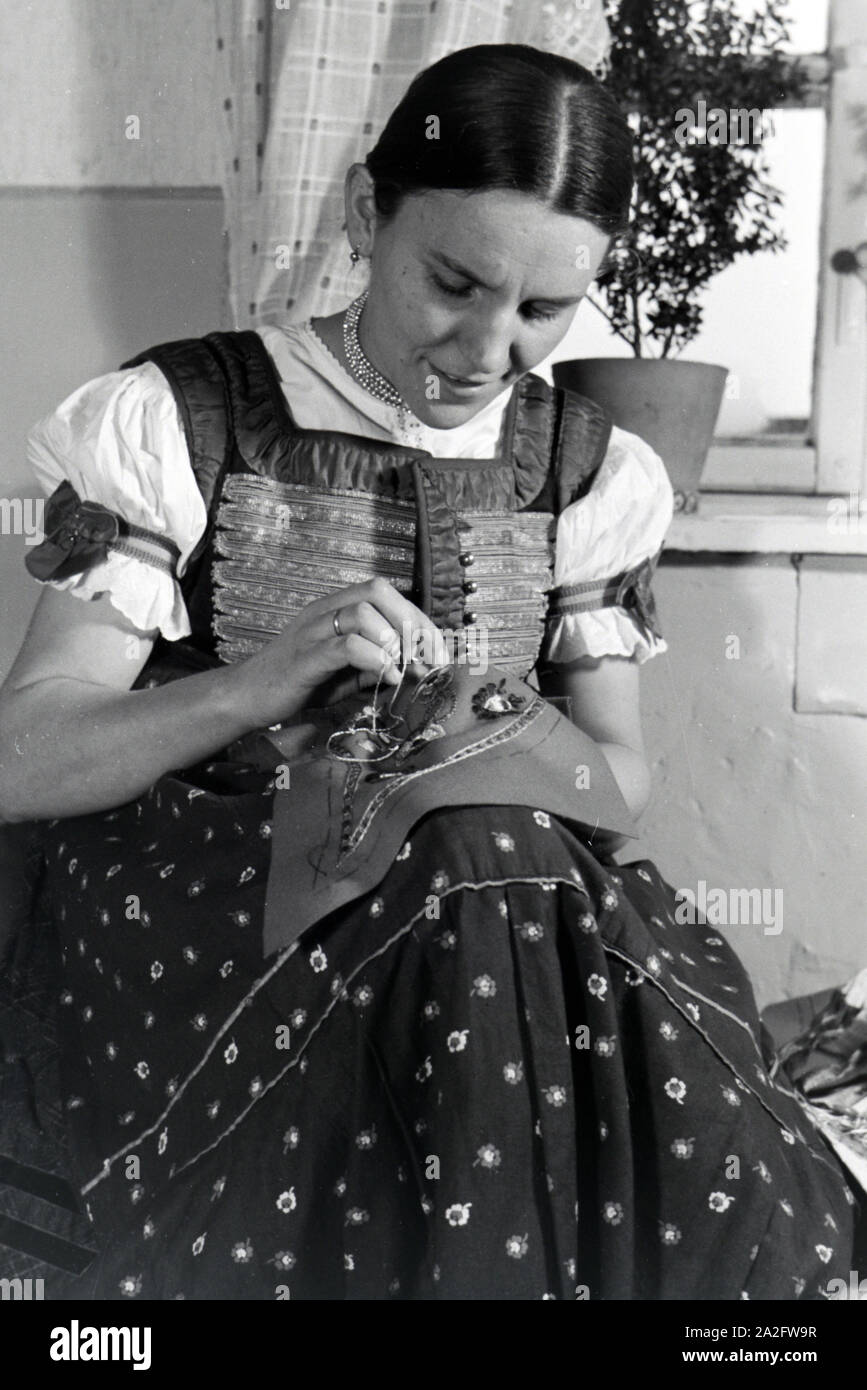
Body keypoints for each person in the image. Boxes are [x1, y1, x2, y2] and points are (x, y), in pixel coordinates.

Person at [0, 44, 854, 1301]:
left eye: (544, 312)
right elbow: (24, 762)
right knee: (480, 869)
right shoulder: (177, 414)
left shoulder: (587, 468)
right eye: (454, 282)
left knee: (486, 846)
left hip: (478, 894)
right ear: (364, 212)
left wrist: (494, 732)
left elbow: (619, 785)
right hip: (208, 906)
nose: (489, 346)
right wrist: (252, 687)